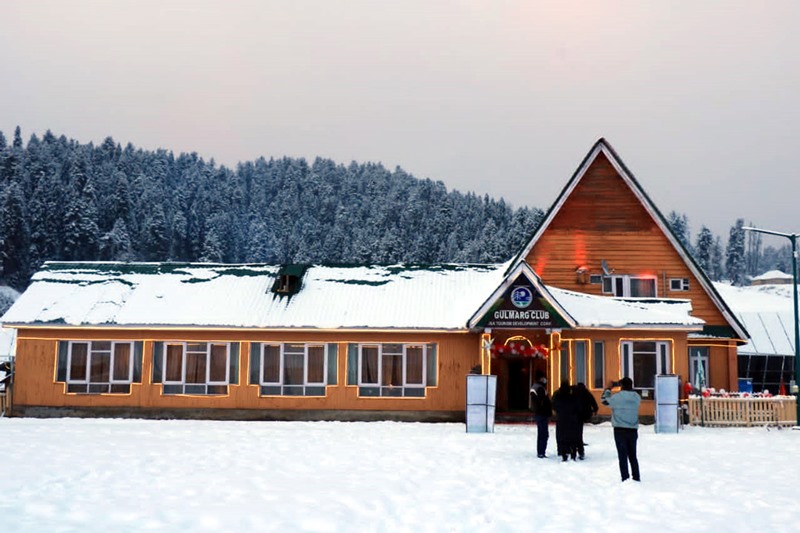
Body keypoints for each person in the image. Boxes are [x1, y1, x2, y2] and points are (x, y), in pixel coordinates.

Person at [601, 377, 642, 482]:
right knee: (633, 455)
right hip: (633, 429)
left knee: (622, 455)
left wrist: (609, 388)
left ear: (621, 386)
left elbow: (604, 400)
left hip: (620, 430)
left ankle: (625, 477)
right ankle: (636, 477)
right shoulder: (637, 397)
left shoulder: (617, 397)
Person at [551, 379, 581, 461]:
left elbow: (553, 405)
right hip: (572, 419)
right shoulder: (573, 395)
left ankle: (563, 453)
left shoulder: (557, 395)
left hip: (561, 418)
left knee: (562, 437)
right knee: (573, 437)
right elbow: (578, 406)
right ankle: (573, 453)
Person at [529, 371, 552, 458]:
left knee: (541, 433)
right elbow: (543, 401)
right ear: (541, 378)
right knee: (544, 434)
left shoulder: (534, 387)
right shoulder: (540, 388)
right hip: (542, 413)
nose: (545, 380)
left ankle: (540, 451)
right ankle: (541, 452)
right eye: (544, 378)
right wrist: (548, 410)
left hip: (538, 413)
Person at [574, 382, 598, 460]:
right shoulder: (586, 392)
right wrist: (595, 409)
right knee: (579, 432)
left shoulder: (574, 392)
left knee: (573, 432)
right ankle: (581, 451)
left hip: (573, 414)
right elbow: (592, 401)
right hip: (582, 415)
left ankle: (572, 450)